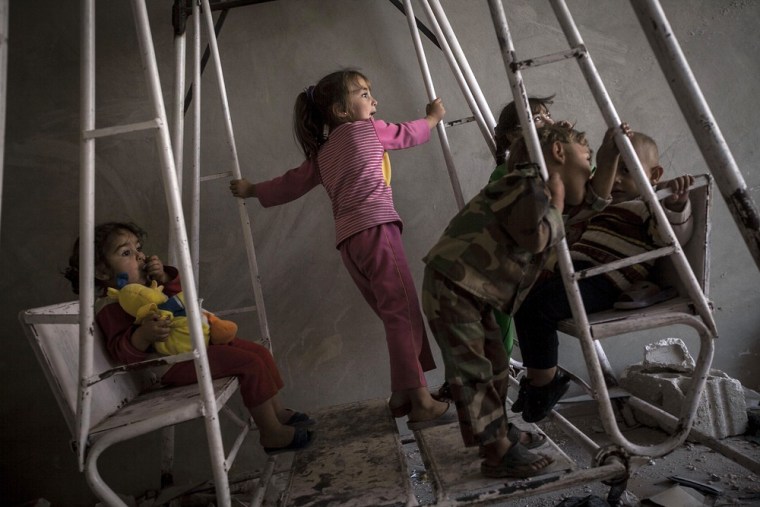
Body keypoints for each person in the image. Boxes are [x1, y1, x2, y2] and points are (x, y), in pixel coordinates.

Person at [229, 69, 453, 429]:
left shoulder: (323, 154)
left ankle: (403, 393)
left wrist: (254, 190)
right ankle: (421, 400)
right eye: (364, 94)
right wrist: (433, 117)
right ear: (340, 111)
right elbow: (409, 134)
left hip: (350, 244)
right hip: (377, 231)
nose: (373, 100)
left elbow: (291, 184)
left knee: (395, 315)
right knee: (404, 314)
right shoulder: (366, 130)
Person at [421, 123, 620, 479]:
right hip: (452, 285)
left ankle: (495, 434)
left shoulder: (544, 190)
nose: (590, 169)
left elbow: (591, 203)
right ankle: (497, 452)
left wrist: (610, 156)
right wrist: (557, 205)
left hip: (473, 291)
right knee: (473, 371)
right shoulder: (525, 182)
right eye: (587, 156)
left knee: (496, 364)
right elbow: (536, 236)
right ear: (558, 152)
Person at [64, 222, 315, 454]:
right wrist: (141, 335)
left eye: (138, 249)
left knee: (258, 353)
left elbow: (182, 302)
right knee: (248, 364)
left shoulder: (151, 287)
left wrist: (164, 278)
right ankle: (270, 433)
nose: (139, 256)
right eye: (125, 253)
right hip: (171, 365)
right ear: (100, 270)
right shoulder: (112, 305)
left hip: (197, 346)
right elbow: (120, 353)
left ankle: (278, 413)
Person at [511, 132, 695, 423]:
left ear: (654, 174)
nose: (618, 179)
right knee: (520, 300)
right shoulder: (604, 205)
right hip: (578, 276)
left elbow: (671, 236)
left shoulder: (648, 205)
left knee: (538, 308)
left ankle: (544, 384)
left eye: (627, 170)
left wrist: (675, 204)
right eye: (613, 170)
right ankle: (539, 378)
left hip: (606, 282)